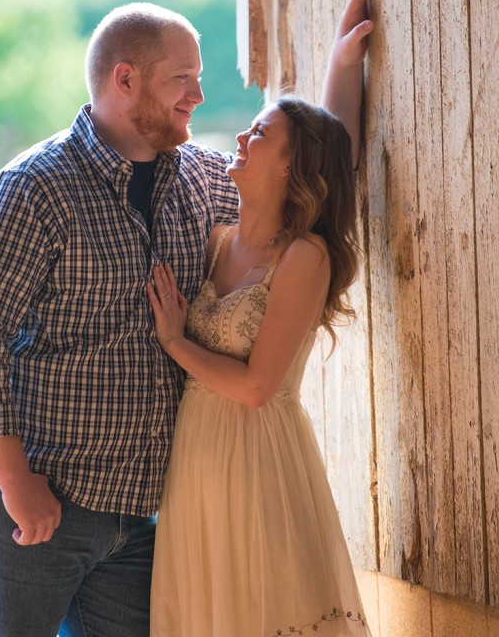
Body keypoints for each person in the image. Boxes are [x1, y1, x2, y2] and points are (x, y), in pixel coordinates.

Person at [0, 0, 378, 637]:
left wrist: (344, 65)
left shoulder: (200, 181)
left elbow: (310, 173)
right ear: (125, 79)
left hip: (140, 516)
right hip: (28, 495)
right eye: (183, 79)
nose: (200, 96)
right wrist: (17, 483)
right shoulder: (33, 189)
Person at [147, 95, 373, 636]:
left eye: (258, 133)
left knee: (264, 609)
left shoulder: (306, 257)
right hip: (196, 460)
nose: (242, 139)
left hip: (259, 459)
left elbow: (256, 387)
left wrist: (175, 341)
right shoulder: (216, 242)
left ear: (290, 165)